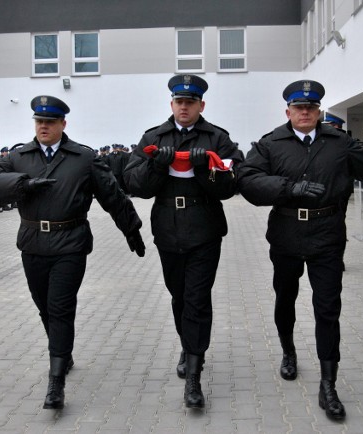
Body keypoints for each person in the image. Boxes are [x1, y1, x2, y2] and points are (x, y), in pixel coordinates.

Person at [236, 80, 363, 421]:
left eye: (311, 108)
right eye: (298, 108)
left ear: (319, 111)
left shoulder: (340, 143)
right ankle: (289, 352)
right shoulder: (272, 144)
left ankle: (328, 384)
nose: (305, 112)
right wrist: (289, 187)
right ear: (288, 111)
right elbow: (247, 181)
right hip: (286, 234)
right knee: (285, 298)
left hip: (328, 235)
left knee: (328, 308)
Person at [0, 95, 145, 410]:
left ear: (62, 124)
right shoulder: (19, 157)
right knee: (44, 307)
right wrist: (22, 184)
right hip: (32, 243)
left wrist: (131, 228)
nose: (43, 126)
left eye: (50, 122)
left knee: (60, 308)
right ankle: (63, 351)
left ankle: (56, 381)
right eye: (39, 121)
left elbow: (112, 194)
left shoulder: (82, 158)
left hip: (70, 243)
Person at [123, 75, 240, 409]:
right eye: (179, 101)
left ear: (201, 105)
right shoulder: (154, 137)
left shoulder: (217, 137)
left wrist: (207, 171)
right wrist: (157, 167)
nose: (184, 106)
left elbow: (232, 184)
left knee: (197, 298)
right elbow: (135, 184)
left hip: (204, 229)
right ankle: (188, 345)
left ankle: (194, 372)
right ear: (171, 104)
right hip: (169, 230)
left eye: (191, 102)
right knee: (179, 296)